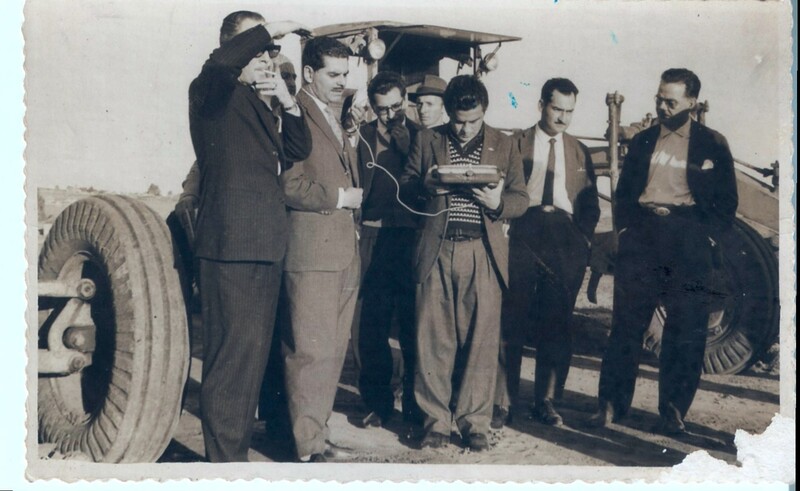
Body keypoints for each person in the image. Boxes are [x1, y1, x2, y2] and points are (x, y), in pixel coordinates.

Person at [188, 11, 310, 462]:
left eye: (270, 52)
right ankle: (224, 467)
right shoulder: (211, 91)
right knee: (231, 366)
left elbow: (297, 149)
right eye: (257, 49)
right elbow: (222, 63)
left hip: (262, 245)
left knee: (251, 363)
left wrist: (288, 102)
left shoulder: (255, 101)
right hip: (232, 247)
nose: (265, 57)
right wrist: (271, 30)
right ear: (232, 47)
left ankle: (231, 459)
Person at [588, 68, 738, 434]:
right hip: (643, 237)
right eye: (659, 99)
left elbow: (727, 202)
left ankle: (672, 411)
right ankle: (610, 405)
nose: (662, 107)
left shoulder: (713, 144)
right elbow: (624, 194)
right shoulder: (643, 141)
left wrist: (705, 237)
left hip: (688, 239)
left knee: (686, 329)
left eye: (670, 102)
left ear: (691, 102)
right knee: (626, 326)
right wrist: (626, 230)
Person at [400, 75, 528, 451]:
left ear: (484, 111)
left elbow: (521, 198)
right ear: (448, 111)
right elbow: (404, 186)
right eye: (458, 121)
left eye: (474, 121)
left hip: (482, 252)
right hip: (436, 249)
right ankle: (436, 423)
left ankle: (475, 423)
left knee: (481, 343)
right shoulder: (427, 140)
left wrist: (498, 204)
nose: (465, 128)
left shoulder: (505, 144)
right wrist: (425, 186)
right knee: (433, 340)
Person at [492, 78, 600, 428]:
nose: (563, 118)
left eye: (569, 111)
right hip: (523, 230)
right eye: (557, 109)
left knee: (557, 322)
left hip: (564, 237)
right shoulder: (515, 143)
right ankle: (504, 402)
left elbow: (590, 203)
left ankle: (547, 401)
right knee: (512, 317)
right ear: (542, 105)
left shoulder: (579, 150)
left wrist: (582, 240)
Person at [280, 36, 363, 463]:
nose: (341, 82)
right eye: (333, 74)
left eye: (345, 74)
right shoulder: (295, 114)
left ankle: (318, 434)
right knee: (311, 351)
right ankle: (307, 445)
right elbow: (289, 185)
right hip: (312, 253)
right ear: (309, 73)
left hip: (342, 252)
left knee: (331, 352)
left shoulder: (332, 115)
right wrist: (341, 198)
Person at [346, 71, 422, 428]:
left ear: (405, 100)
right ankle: (377, 402)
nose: (390, 115)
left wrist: (408, 148)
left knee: (412, 324)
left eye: (396, 107)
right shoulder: (361, 136)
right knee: (371, 324)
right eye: (382, 109)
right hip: (373, 236)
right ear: (372, 108)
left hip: (409, 238)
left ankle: (415, 404)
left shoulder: (422, 136)